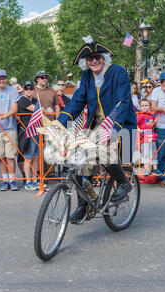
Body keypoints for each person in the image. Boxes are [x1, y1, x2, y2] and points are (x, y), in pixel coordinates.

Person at [55, 36, 137, 223]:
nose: (93, 61)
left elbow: (123, 102)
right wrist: (59, 123)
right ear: (85, 62)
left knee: (104, 152)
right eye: (89, 59)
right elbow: (76, 102)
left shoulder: (118, 72)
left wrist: (113, 128)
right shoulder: (86, 76)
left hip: (120, 123)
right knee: (83, 161)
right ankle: (83, 206)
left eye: (97, 57)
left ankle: (124, 183)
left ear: (104, 58)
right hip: (95, 125)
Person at [17, 81, 40, 191]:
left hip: (37, 130)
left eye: (31, 88)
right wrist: (44, 110)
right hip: (27, 131)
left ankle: (35, 180)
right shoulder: (22, 100)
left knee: (36, 157)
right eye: (26, 89)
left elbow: (40, 109)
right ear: (24, 90)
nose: (29, 91)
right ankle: (28, 181)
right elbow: (37, 110)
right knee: (28, 157)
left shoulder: (35, 100)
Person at [137, 99, 158, 175]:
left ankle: (155, 169)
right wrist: (140, 130)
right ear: (140, 107)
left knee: (153, 152)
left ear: (149, 106)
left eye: (146, 105)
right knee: (145, 153)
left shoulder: (151, 116)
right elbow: (135, 125)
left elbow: (152, 126)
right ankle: (146, 169)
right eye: (142, 106)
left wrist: (155, 123)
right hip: (144, 138)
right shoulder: (140, 116)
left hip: (151, 137)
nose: (144, 107)